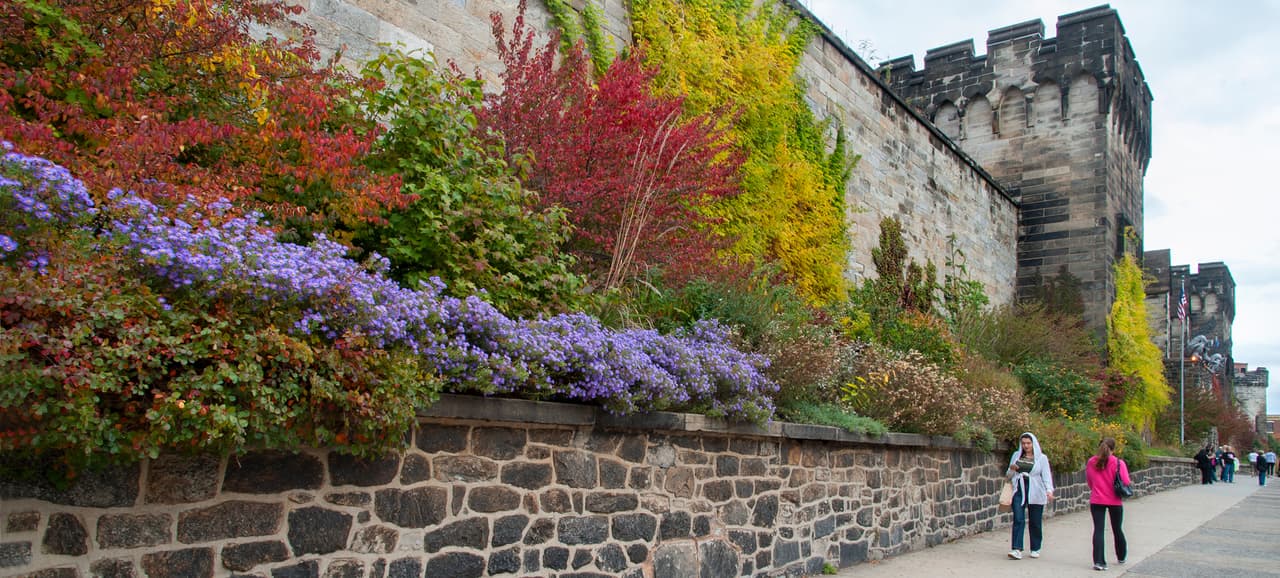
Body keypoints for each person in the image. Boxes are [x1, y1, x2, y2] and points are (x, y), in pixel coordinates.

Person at [1006, 432, 1054, 560]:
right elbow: (1008, 475)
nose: (1026, 446)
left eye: (1028, 443)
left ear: (1033, 443)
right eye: (1023, 443)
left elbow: (1046, 475)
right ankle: (1016, 548)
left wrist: (1049, 490)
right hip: (1019, 489)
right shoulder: (1016, 455)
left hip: (1035, 489)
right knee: (1018, 518)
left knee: (1035, 521)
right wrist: (1012, 469)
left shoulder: (1041, 458)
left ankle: (1035, 547)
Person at [1086, 437, 1130, 571]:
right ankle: (1121, 555)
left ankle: (1099, 561)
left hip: (1097, 499)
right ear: (1113, 449)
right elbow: (1126, 481)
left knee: (1098, 529)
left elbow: (1089, 481)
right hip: (1115, 500)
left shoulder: (1091, 462)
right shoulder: (1118, 463)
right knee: (1117, 528)